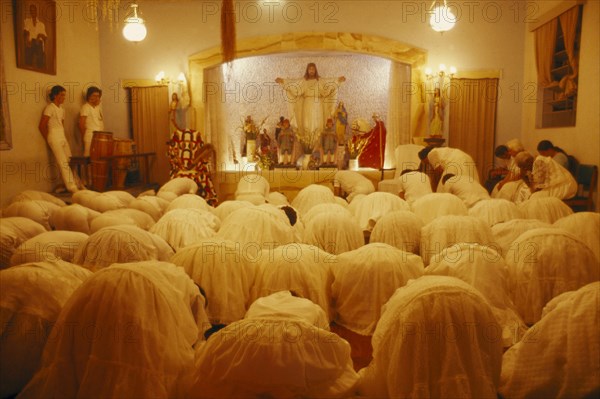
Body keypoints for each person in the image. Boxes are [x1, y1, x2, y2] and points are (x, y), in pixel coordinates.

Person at [275, 62, 345, 143]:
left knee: (318, 123)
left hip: (317, 105)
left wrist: (338, 80)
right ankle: (307, 144)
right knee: (307, 123)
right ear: (307, 70)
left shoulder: (320, 81)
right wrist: (283, 81)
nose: (311, 71)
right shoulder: (303, 81)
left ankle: (318, 143)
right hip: (307, 105)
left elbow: (329, 83)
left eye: (313, 69)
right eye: (310, 69)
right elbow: (293, 84)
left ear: (315, 70)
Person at [39, 85, 82, 193]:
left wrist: (63, 137)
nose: (64, 97)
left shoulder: (62, 110)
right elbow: (42, 126)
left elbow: (61, 125)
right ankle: (72, 187)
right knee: (62, 162)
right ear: (55, 95)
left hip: (61, 136)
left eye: (64, 95)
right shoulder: (50, 107)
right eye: (62, 95)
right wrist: (49, 139)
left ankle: (78, 183)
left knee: (70, 160)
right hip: (53, 136)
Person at [78, 86, 104, 157]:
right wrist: (84, 137)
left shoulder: (98, 108)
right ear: (89, 96)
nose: (97, 98)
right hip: (90, 137)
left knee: (98, 158)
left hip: (99, 137)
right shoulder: (85, 107)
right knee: (89, 157)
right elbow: (81, 124)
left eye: (98, 96)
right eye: (94, 96)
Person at [23, 4, 47, 69]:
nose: (33, 12)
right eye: (31, 11)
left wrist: (39, 36)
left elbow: (45, 37)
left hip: (38, 43)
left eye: (34, 10)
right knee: (28, 61)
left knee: (40, 63)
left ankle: (40, 67)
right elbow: (25, 31)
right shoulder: (27, 21)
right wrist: (27, 38)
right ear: (30, 12)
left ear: (36, 12)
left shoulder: (41, 24)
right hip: (30, 42)